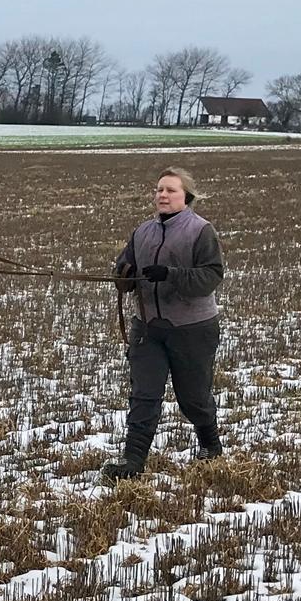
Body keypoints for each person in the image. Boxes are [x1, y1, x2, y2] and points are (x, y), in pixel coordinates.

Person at [101, 167, 224, 485]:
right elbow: (122, 270)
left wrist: (171, 274)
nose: (163, 195)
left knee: (193, 399)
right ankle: (133, 460)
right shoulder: (142, 231)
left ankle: (210, 446)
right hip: (147, 328)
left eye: (170, 190)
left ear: (187, 196)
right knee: (144, 395)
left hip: (193, 329)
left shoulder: (200, 231)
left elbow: (211, 277)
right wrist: (125, 274)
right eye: (159, 190)